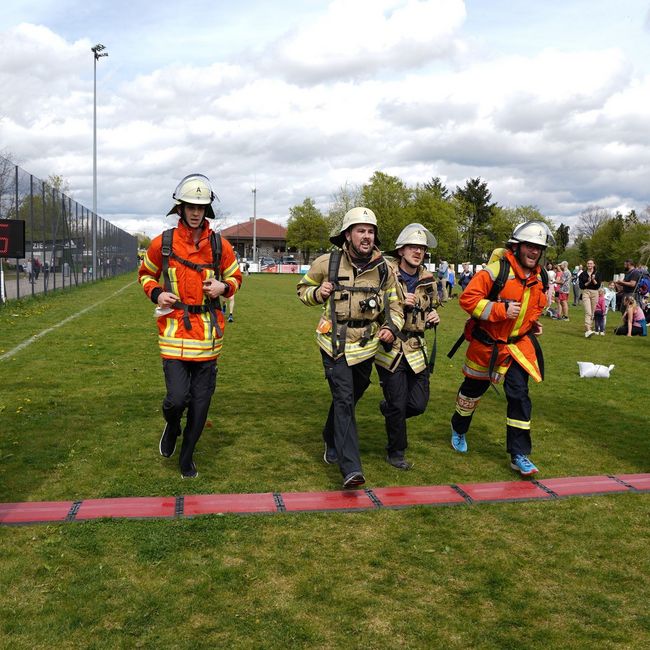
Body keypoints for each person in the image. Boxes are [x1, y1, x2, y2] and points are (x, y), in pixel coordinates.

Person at [139, 173, 242, 478]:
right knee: (176, 400)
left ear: (207, 209)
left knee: (200, 405)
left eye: (201, 206)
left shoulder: (220, 246)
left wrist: (224, 288)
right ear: (180, 208)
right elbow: (145, 274)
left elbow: (236, 277)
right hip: (173, 335)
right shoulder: (163, 243)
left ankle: (187, 456)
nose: (196, 212)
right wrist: (157, 292)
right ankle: (172, 426)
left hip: (208, 337)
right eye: (190, 206)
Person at [297, 207, 403, 488]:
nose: (366, 236)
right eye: (361, 231)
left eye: (370, 231)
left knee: (353, 395)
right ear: (348, 234)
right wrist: (317, 293)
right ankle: (351, 468)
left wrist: (391, 327)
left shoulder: (385, 269)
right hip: (334, 343)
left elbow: (395, 305)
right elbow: (302, 290)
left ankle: (330, 434)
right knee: (344, 399)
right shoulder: (327, 263)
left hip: (367, 346)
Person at [448, 220, 553, 477]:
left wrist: (531, 323)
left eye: (538, 247)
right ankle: (459, 428)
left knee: (519, 396)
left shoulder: (541, 276)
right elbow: (468, 299)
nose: (534, 252)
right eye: (529, 246)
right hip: (486, 346)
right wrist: (500, 310)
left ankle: (519, 454)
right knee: (472, 392)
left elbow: (533, 305)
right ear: (516, 247)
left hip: (517, 347)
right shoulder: (495, 271)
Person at [375, 224, 440, 470]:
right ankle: (396, 452)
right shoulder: (386, 274)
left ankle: (390, 410)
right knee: (399, 402)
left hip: (416, 348)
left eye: (422, 248)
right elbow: (372, 307)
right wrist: (400, 304)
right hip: (390, 350)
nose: (418, 252)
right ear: (401, 250)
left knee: (417, 404)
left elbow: (432, 304)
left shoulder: (428, 279)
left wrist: (433, 314)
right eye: (413, 247)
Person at [578, 259, 601, 338]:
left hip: (595, 293)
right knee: (588, 311)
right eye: (588, 263)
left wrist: (593, 280)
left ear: (594, 265)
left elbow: (598, 286)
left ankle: (589, 329)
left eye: (591, 263)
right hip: (586, 292)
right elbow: (581, 286)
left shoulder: (597, 273)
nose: (589, 265)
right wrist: (588, 281)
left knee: (593, 312)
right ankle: (588, 330)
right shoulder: (582, 274)